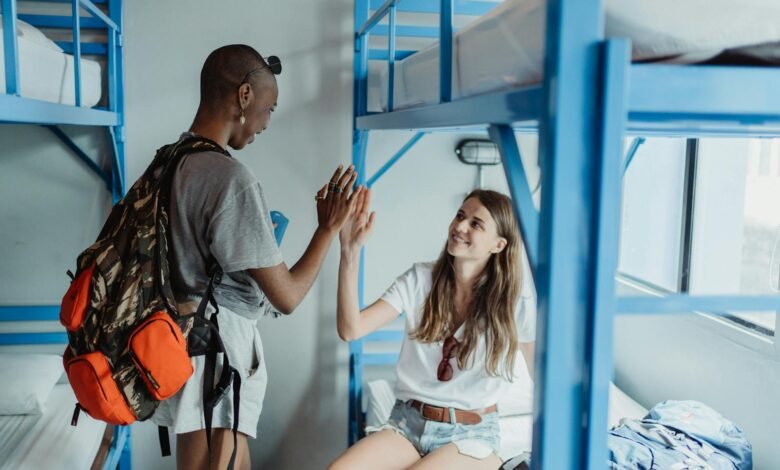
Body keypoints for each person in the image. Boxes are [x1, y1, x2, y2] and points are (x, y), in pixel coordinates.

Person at [150, 44, 362, 470]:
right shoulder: (230, 179)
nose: (267, 122)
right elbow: (286, 295)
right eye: (269, 108)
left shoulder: (168, 160)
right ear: (244, 96)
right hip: (218, 349)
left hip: (181, 338)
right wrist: (327, 229)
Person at [330, 188, 536, 470]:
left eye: (476, 224)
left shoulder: (515, 302)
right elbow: (351, 329)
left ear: (498, 245)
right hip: (407, 424)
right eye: (460, 216)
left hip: (471, 434)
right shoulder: (419, 279)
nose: (460, 227)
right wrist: (349, 252)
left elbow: (544, 377)